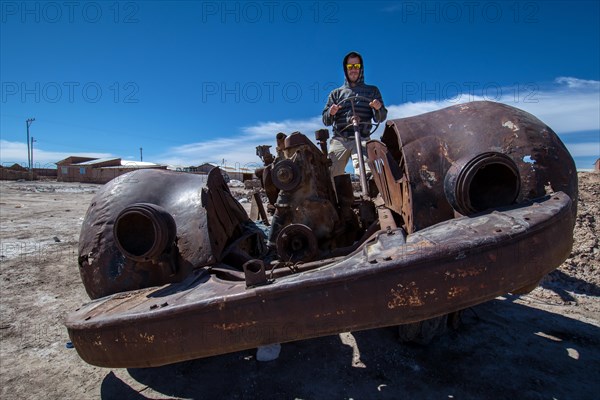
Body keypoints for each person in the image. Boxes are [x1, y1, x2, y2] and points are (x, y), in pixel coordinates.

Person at [322, 51, 388, 178]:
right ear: (345, 69)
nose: (353, 70)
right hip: (340, 140)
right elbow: (326, 120)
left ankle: (369, 192)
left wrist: (378, 108)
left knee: (368, 172)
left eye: (356, 66)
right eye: (350, 66)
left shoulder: (372, 91)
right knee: (329, 175)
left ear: (361, 69)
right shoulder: (336, 94)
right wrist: (331, 112)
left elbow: (381, 117)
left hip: (362, 138)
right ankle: (335, 195)